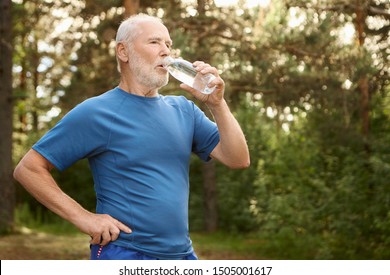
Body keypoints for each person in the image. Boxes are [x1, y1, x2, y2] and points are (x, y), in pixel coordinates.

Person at [13, 13, 250, 260]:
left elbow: (238, 159)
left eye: (168, 44)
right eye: (154, 42)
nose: (166, 52)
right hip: (125, 253)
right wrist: (83, 218)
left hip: (182, 255)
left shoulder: (184, 110)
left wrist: (218, 105)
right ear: (123, 52)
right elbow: (28, 169)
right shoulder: (96, 112)